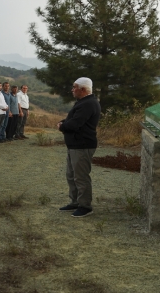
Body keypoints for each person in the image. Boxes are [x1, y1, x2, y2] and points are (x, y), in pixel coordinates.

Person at [57, 77, 101, 218]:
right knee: (71, 175)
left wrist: (62, 126)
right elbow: (73, 119)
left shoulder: (87, 104)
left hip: (82, 145)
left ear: (82, 89)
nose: (72, 90)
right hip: (75, 145)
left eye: (74, 87)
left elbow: (75, 124)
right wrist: (64, 122)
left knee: (81, 177)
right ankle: (75, 202)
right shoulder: (83, 102)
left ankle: (85, 206)